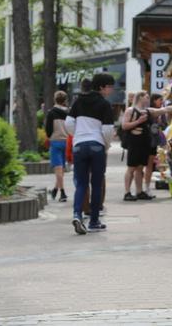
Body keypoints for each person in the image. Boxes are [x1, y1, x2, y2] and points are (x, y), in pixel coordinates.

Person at [65, 73, 115, 235]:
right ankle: (94, 221)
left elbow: (69, 123)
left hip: (79, 145)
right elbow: (107, 130)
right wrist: (105, 145)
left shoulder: (78, 101)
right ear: (101, 87)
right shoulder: (105, 104)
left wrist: (78, 135)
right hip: (97, 146)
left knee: (81, 183)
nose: (111, 90)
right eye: (109, 87)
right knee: (97, 183)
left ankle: (77, 214)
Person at [121, 91, 172, 201]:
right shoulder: (130, 110)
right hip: (134, 143)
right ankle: (127, 192)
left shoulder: (148, 111)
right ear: (140, 97)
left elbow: (164, 110)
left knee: (140, 167)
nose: (148, 99)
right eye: (146, 97)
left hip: (144, 143)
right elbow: (124, 126)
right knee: (131, 167)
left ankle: (139, 191)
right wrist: (138, 121)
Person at [46, 91, 70, 202]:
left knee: (58, 169)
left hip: (55, 142)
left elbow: (48, 130)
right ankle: (56, 189)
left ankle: (63, 192)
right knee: (61, 170)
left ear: (55, 99)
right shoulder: (69, 113)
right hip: (67, 142)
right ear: (65, 100)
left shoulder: (51, 113)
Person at [142, 93, 168, 197]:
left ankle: (147, 187)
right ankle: (142, 187)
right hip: (146, 140)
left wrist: (160, 122)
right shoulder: (148, 111)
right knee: (142, 165)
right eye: (160, 100)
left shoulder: (161, 112)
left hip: (154, 141)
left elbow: (164, 125)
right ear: (154, 100)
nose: (161, 102)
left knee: (149, 164)